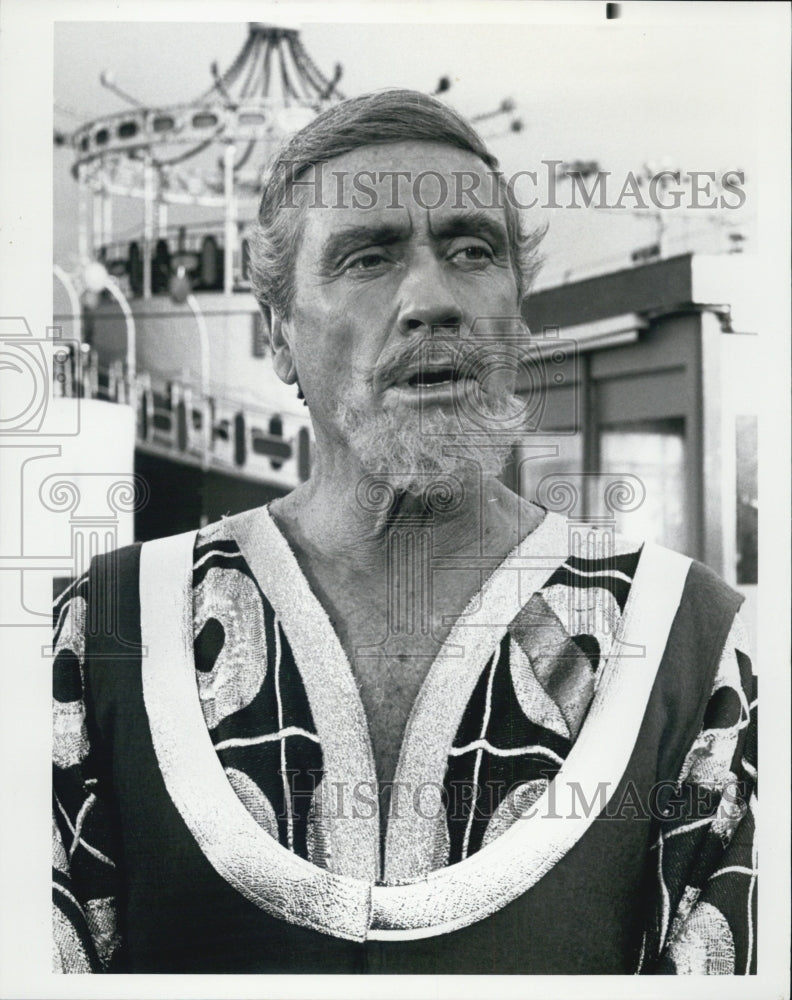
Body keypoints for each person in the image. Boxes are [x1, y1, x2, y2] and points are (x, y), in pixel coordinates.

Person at [52, 89, 757, 975]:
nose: (432, 299)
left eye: (473, 252)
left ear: (516, 316)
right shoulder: (111, 632)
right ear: (277, 335)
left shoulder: (688, 644)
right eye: (368, 258)